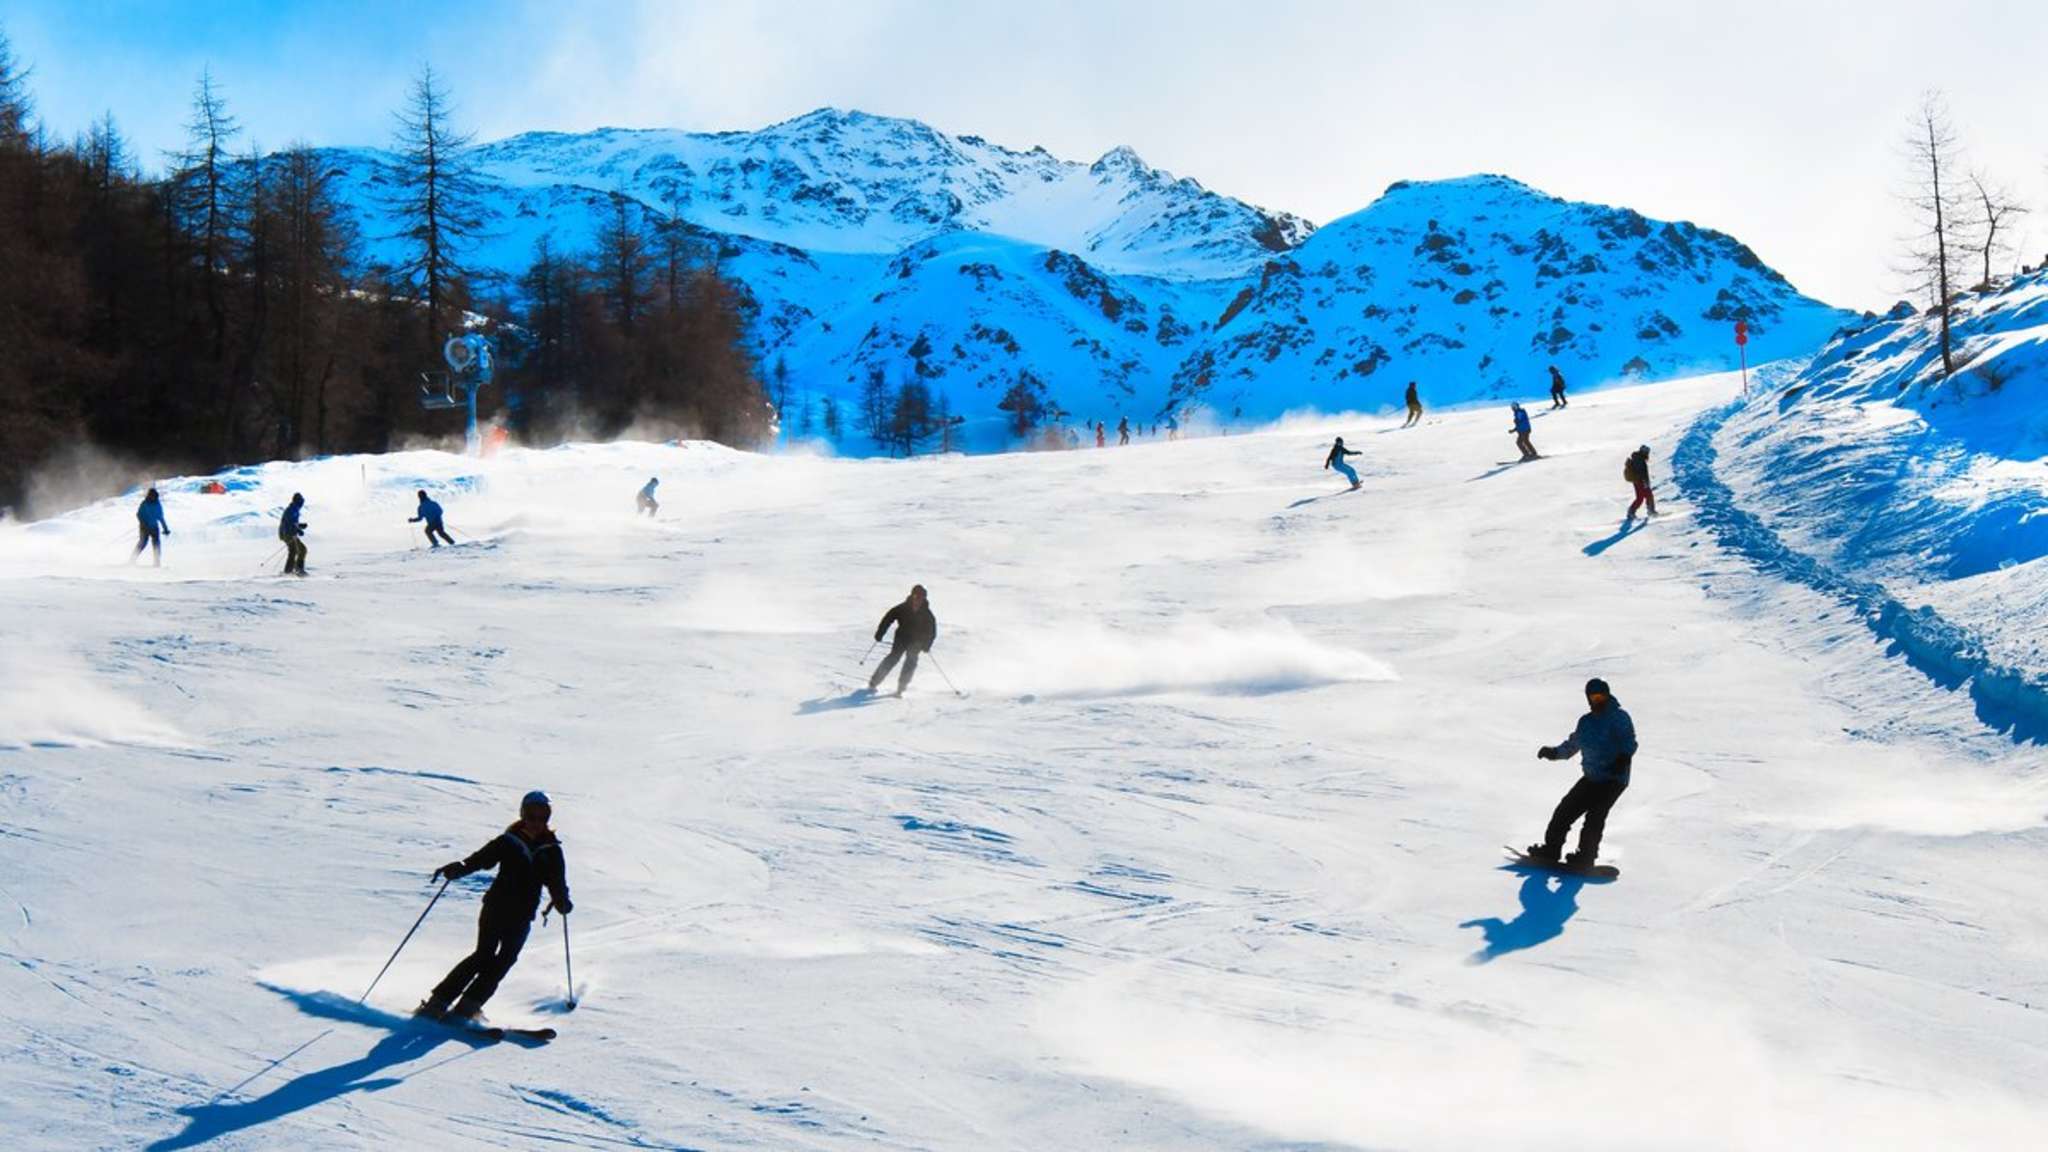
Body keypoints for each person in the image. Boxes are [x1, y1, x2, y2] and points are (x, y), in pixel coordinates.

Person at [419, 791, 571, 1022]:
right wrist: (460, 867)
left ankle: (469, 1006)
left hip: (522, 914)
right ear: (523, 814)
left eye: (542, 817)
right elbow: (480, 859)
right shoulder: (508, 841)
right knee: (484, 954)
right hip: (497, 906)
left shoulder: (552, 850)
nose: (536, 822)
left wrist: (562, 900)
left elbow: (557, 881)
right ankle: (438, 1002)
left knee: (506, 958)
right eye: (532, 815)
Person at [1528, 678, 1638, 867]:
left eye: (1601, 697)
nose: (1598, 701)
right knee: (1565, 810)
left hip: (1614, 778)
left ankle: (1586, 856)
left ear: (1607, 695)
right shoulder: (1586, 722)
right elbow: (1572, 745)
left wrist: (1623, 758)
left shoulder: (1619, 717)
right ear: (1588, 699)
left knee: (1595, 816)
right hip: (1592, 777)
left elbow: (1629, 740)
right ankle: (1551, 850)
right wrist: (1553, 753)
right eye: (1594, 697)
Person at [869, 584, 937, 697]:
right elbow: (888, 619)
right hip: (901, 637)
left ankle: (901, 687)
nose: (918, 600)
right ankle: (874, 682)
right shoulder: (902, 608)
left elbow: (932, 631)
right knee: (893, 658)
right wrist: (880, 633)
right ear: (912, 596)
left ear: (924, 598)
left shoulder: (927, 614)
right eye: (916, 596)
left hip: (917, 641)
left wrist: (927, 644)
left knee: (911, 661)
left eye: (921, 598)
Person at [131, 488, 169, 567]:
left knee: (156, 544)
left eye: (155, 496)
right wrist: (143, 523)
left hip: (154, 527)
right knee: (142, 543)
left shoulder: (157, 504)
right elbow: (139, 514)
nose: (153, 498)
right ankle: (132, 560)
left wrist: (165, 528)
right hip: (144, 527)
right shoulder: (144, 504)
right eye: (152, 496)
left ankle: (157, 562)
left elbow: (161, 517)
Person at [1624, 445, 1659, 519]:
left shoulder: (1638, 458)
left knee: (1641, 497)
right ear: (1644, 452)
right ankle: (1650, 511)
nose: (1648, 454)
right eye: (1647, 452)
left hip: (1637, 481)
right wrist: (1645, 481)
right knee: (1648, 496)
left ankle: (1632, 511)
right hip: (1640, 481)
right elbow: (1642, 472)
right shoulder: (1639, 459)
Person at [279, 494, 308, 577]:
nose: (302, 504)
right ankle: (290, 571)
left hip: (290, 533)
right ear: (297, 501)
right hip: (287, 534)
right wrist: (298, 529)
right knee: (294, 550)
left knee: (301, 550)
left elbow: (292, 523)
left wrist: (300, 525)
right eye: (301, 501)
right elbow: (289, 523)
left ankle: (297, 570)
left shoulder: (295, 509)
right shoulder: (291, 510)